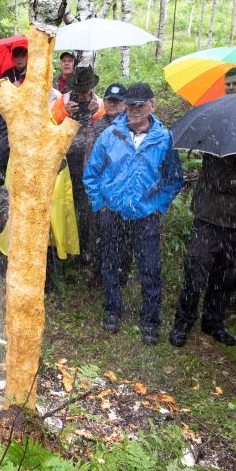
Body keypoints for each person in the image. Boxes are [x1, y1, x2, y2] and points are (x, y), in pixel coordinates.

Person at [83, 82, 183, 344]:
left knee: (150, 268)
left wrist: (158, 205)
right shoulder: (110, 135)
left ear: (152, 106)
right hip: (113, 212)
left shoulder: (164, 138)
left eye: (140, 105)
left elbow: (173, 179)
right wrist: (100, 204)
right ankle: (112, 309)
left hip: (146, 215)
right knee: (111, 263)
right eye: (130, 105)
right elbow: (91, 173)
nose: (134, 110)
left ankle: (150, 321)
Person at [169, 148, 236, 347]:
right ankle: (183, 322)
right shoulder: (217, 147)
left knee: (226, 277)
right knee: (195, 273)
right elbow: (223, 183)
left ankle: (213, 321)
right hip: (209, 219)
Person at [85, 82, 128, 284]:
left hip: (125, 189)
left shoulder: (131, 127)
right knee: (99, 232)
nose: (113, 104)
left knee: (124, 233)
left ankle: (122, 271)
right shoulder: (97, 124)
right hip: (101, 188)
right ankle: (98, 271)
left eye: (117, 101)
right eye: (110, 100)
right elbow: (88, 155)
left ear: (125, 103)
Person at [62, 65, 104, 267]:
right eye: (79, 90)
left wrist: (96, 113)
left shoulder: (100, 104)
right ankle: (68, 250)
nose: (81, 94)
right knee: (66, 208)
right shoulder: (63, 100)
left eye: (85, 90)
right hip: (66, 166)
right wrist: (64, 112)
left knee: (86, 210)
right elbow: (51, 125)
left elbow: (105, 129)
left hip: (91, 167)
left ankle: (86, 250)